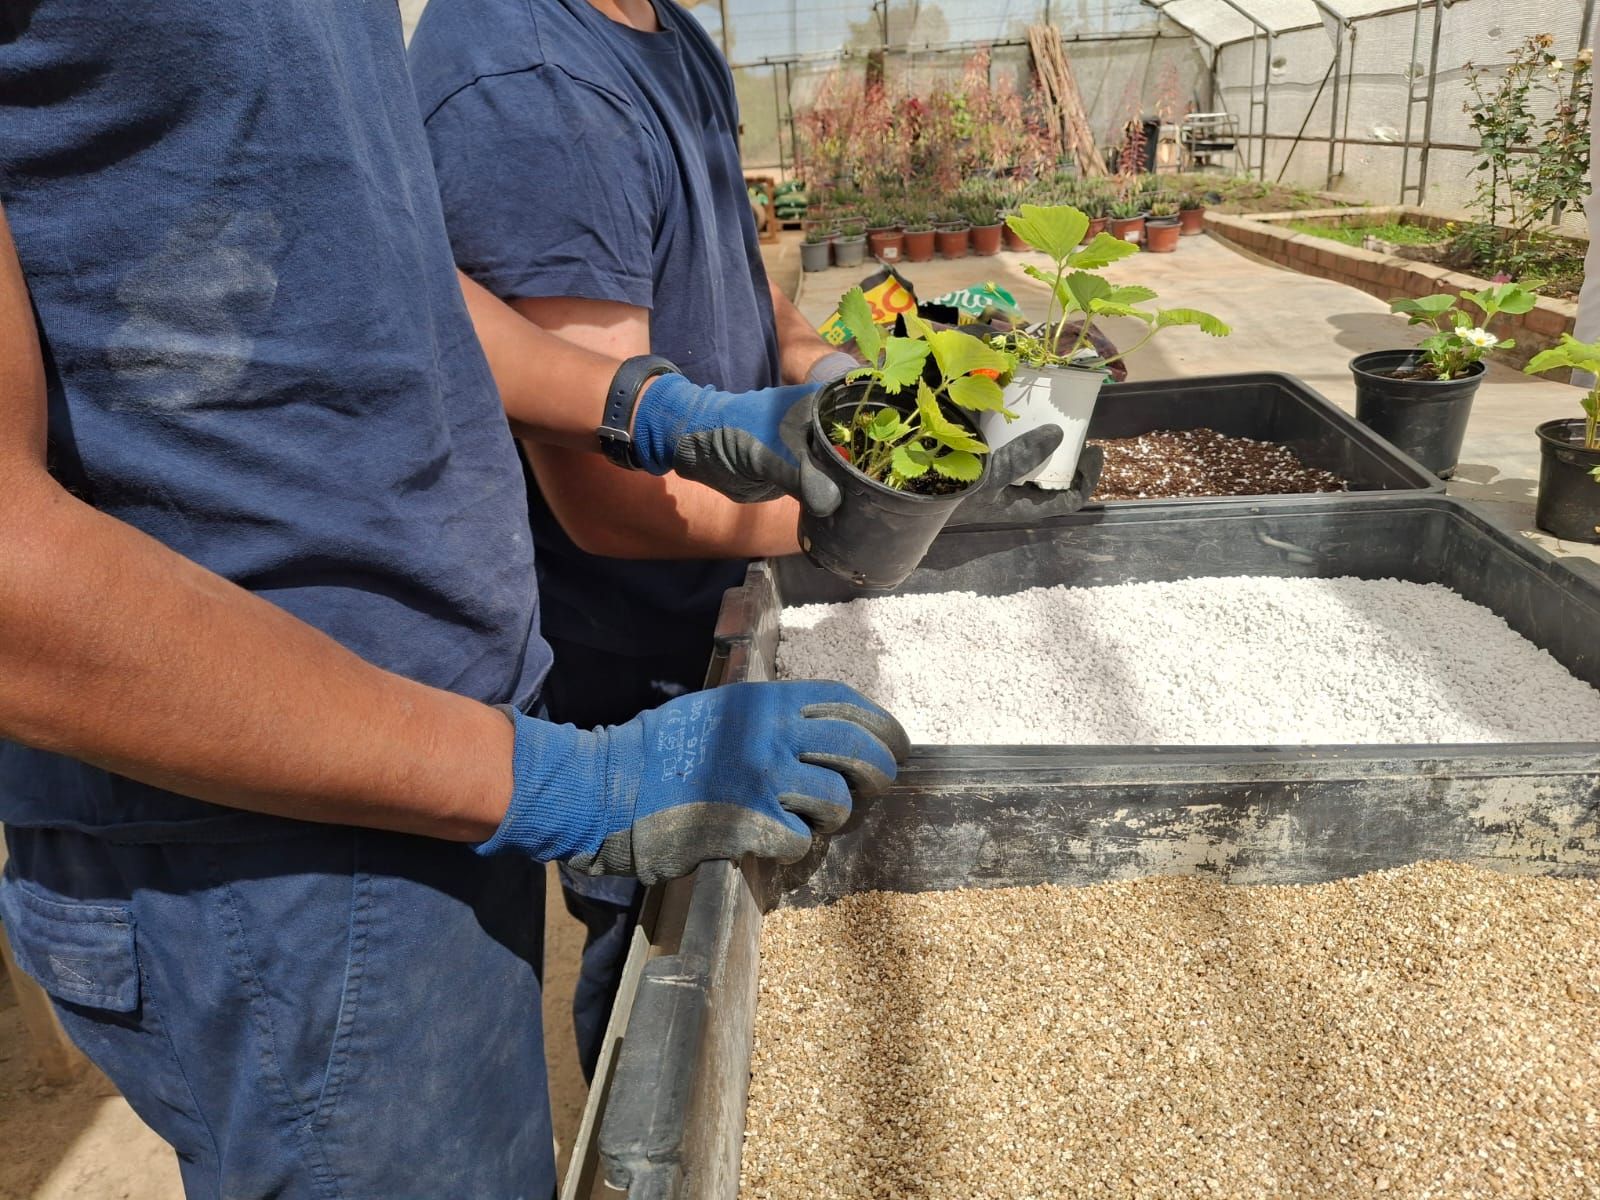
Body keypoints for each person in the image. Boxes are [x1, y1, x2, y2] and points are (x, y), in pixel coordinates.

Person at [0, 3, 911, 1197]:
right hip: (249, 828)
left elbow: (375, 254)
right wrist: (566, 785)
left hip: (446, 743)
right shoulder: (518, 69)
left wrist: (650, 408)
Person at [407, 0, 859, 1081]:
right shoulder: (531, 85)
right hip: (638, 659)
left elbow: (748, 279)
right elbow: (611, 502)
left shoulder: (668, 32)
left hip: (725, 592)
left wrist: (828, 376)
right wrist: (866, 523)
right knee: (662, 977)